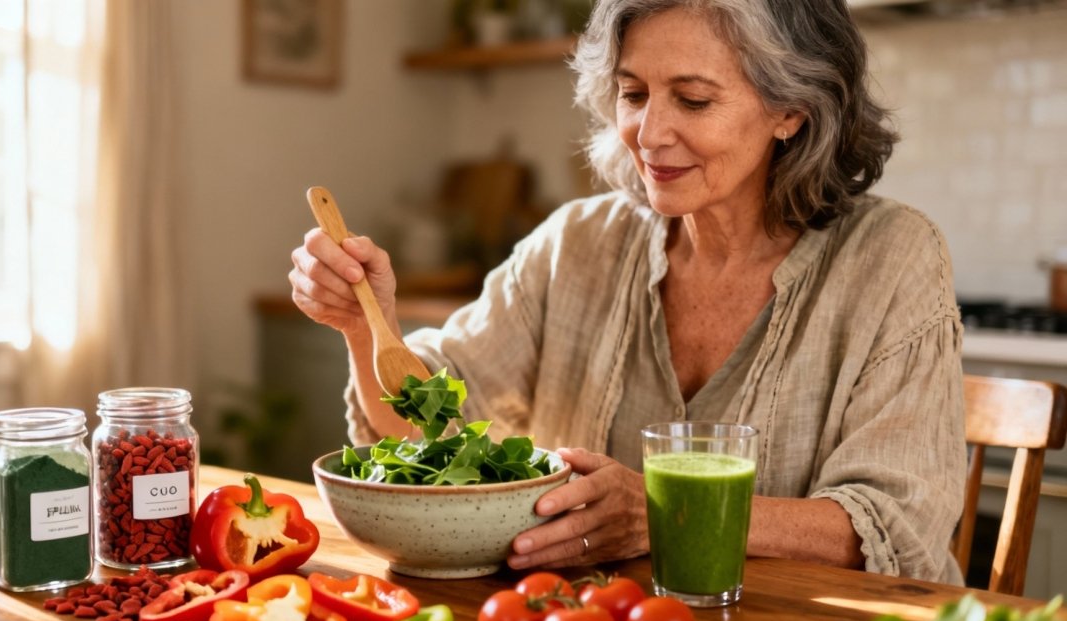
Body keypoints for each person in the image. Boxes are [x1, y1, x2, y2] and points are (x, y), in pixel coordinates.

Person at [289, 0, 965, 584]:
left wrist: (661, 510)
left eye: (694, 99)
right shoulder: (580, 241)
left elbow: (888, 527)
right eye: (633, 92)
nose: (649, 133)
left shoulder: (892, 257)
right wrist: (362, 325)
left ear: (790, 109)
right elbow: (425, 423)